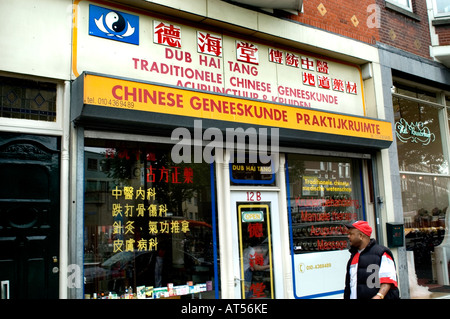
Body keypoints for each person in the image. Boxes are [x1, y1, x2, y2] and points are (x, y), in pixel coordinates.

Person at [344, 221, 400, 299]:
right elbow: (349, 286)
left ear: (360, 236)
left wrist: (379, 296)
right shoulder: (353, 257)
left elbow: (388, 279)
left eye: (351, 234)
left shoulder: (381, 253)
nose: (348, 236)